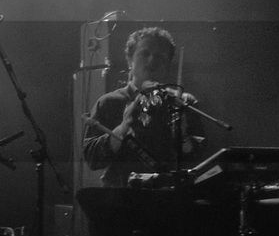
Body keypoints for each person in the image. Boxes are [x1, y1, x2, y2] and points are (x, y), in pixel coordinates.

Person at [82, 25, 202, 188]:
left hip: (168, 196)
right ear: (130, 60)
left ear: (167, 64)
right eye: (145, 54)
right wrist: (122, 128)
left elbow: (201, 159)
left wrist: (184, 136)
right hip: (121, 197)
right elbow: (91, 158)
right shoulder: (109, 102)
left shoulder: (183, 103)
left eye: (160, 56)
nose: (152, 61)